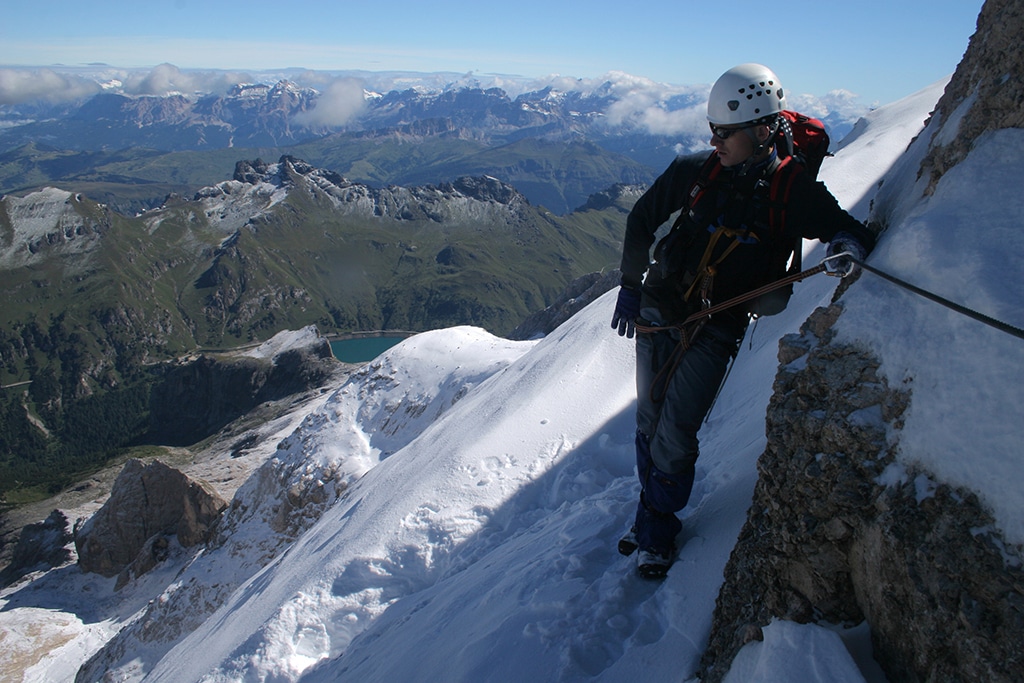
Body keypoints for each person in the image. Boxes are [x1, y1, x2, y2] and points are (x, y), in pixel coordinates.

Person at [610, 63, 875, 579]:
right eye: (712, 131)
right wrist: (629, 284)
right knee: (649, 421)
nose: (714, 142)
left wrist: (845, 245)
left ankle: (657, 528)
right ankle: (649, 512)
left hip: (716, 324)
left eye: (723, 133)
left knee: (675, 432)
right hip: (662, 308)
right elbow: (642, 218)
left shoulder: (790, 189)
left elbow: (846, 229)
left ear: (761, 130)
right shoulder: (695, 170)